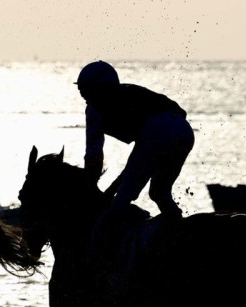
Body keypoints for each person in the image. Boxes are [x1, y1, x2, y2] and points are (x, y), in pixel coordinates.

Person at [78, 61, 194, 221]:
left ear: (98, 90)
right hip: (184, 131)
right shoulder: (132, 92)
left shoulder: (95, 110)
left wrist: (90, 191)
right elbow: (140, 160)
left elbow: (94, 157)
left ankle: (105, 239)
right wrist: (111, 189)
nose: (82, 96)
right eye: (81, 90)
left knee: (120, 203)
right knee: (159, 192)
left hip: (158, 132)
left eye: (85, 91)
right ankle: (178, 229)